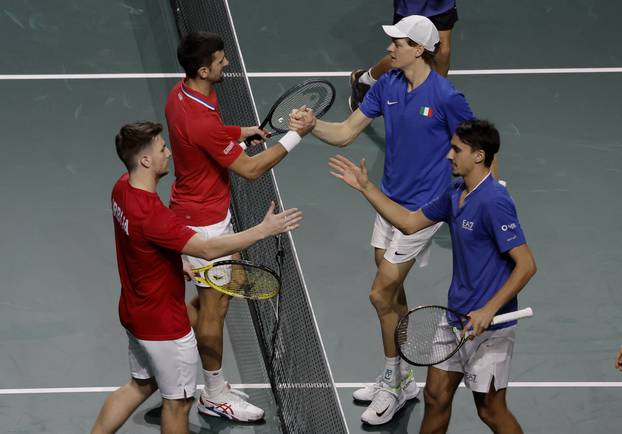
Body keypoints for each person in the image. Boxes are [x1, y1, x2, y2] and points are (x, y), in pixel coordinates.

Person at [290, 15, 474, 425]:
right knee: (392, 294)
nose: (390, 48)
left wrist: (484, 196)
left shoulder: (446, 96)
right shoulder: (388, 85)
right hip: (386, 201)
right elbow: (345, 133)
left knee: (379, 294)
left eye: (399, 43)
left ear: (419, 49)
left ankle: (392, 380)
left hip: (423, 209)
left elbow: (477, 147)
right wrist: (311, 125)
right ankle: (403, 376)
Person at [91, 122, 303, 434]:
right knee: (177, 406)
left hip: (135, 312)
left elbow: (142, 244)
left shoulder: (121, 188)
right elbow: (206, 249)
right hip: (165, 327)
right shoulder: (153, 215)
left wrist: (175, 262)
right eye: (162, 149)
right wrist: (263, 230)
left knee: (138, 386)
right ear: (145, 161)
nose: (169, 154)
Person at [328, 119, 537, 433]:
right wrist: (366, 188)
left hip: (490, 327)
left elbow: (526, 265)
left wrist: (489, 310)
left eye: (456, 149)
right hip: (455, 316)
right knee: (435, 396)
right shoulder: (455, 193)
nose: (448, 156)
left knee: (491, 411)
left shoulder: (495, 201)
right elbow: (410, 222)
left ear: (479, 155)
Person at [164, 31, 313, 422]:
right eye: (219, 60)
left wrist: (238, 133)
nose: (226, 63)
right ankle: (212, 393)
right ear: (203, 69)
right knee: (214, 310)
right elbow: (250, 170)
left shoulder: (181, 95)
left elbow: (205, 139)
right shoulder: (200, 117)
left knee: (218, 301)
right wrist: (298, 135)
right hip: (205, 228)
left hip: (202, 213)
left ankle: (175, 364)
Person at [350, 0, 458, 112]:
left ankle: (435, 100)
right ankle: (364, 81)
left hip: (440, 4)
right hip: (412, 5)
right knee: (404, 55)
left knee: (442, 52)